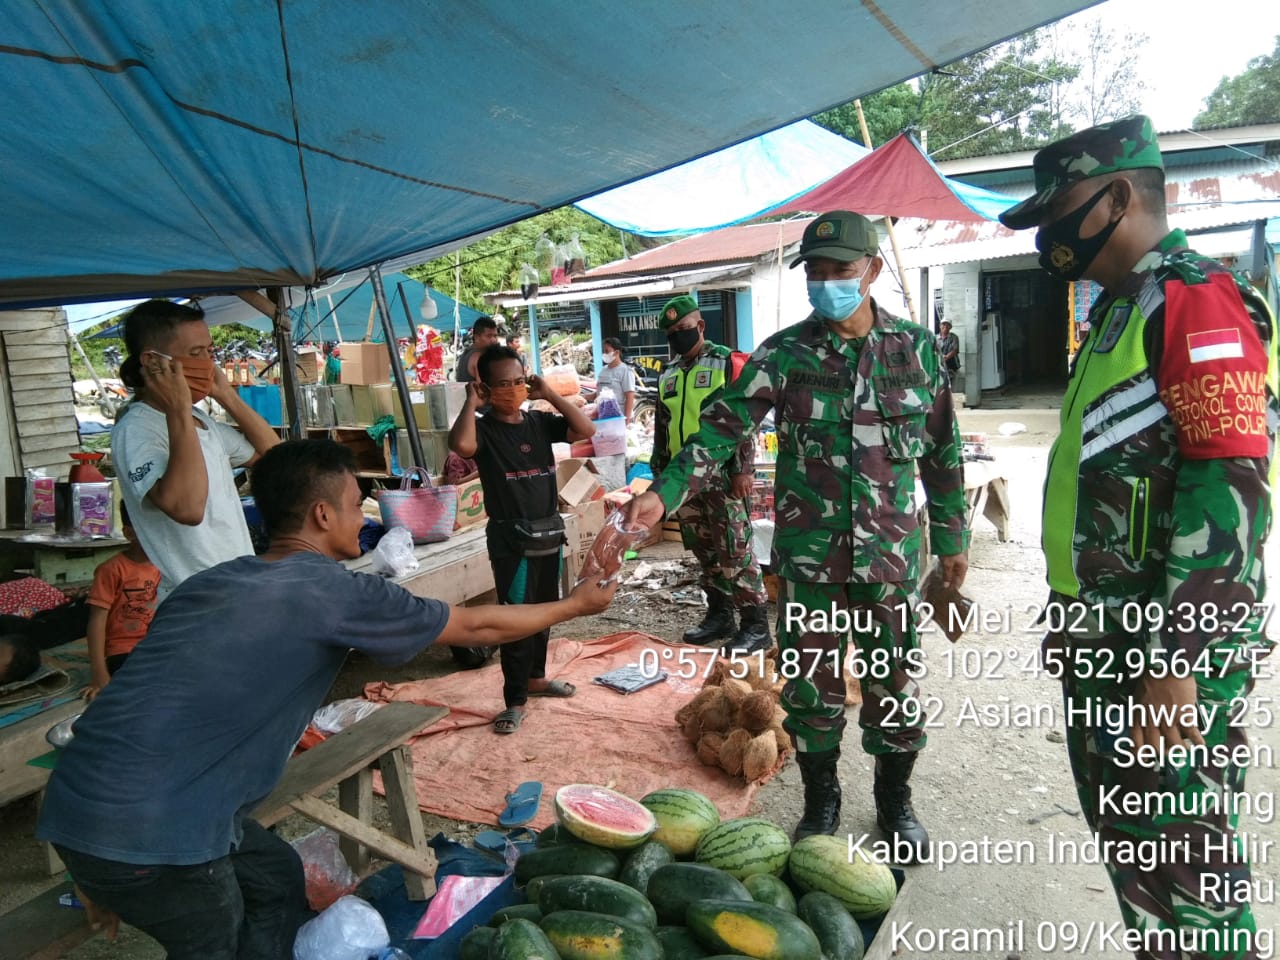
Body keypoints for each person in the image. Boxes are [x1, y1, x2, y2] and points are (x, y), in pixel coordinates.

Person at [36, 439, 617, 959]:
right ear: (321, 514)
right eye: (352, 504)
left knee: (274, 874)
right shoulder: (334, 591)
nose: (358, 516)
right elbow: (474, 629)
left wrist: (93, 862)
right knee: (213, 936)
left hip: (77, 805)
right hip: (154, 833)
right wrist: (575, 607)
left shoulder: (208, 582)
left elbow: (132, 702)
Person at [999, 115, 1276, 959]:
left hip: (1161, 652)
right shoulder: (1124, 311)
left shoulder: (1196, 299)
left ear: (1118, 197)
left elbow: (1228, 491)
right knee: (1138, 857)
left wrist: (1176, 661)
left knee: (1185, 870)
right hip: (1108, 637)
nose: (1049, 234)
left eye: (1060, 211)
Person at [628, 213, 969, 853]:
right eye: (815, 273)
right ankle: (822, 801)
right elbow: (719, 432)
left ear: (871, 270)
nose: (827, 284)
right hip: (809, 561)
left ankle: (895, 805)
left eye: (840, 271)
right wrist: (662, 493)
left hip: (890, 559)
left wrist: (953, 541)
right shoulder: (784, 354)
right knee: (813, 690)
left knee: (894, 686)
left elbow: (942, 455)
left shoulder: (918, 351)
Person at [449, 345, 596, 734]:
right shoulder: (483, 427)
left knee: (544, 612)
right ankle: (514, 699)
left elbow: (586, 430)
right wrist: (470, 403)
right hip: (512, 540)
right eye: (503, 384)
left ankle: (535, 678)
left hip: (547, 532)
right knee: (515, 619)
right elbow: (461, 447)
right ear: (484, 387)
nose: (513, 389)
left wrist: (549, 394)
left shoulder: (537, 423)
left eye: (518, 381)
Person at [112, 300, 281, 600]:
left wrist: (226, 394)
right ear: (153, 361)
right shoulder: (137, 430)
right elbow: (187, 508)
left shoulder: (200, 420)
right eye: (195, 354)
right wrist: (177, 408)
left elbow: (277, 459)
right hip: (197, 600)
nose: (207, 363)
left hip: (236, 586)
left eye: (209, 351)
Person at [650, 296, 769, 654]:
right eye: (671, 333)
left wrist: (743, 469)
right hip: (682, 480)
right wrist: (661, 477)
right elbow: (662, 427)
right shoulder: (668, 373)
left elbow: (745, 421)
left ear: (700, 327)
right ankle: (719, 615)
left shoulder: (727, 362)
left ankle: (756, 625)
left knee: (735, 549)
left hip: (722, 475)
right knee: (704, 550)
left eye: (683, 330)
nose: (677, 337)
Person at [83, 502, 159, 702]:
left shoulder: (164, 566)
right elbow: (96, 622)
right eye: (150, 528)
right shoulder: (111, 570)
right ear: (129, 533)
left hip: (154, 645)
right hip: (122, 650)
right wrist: (99, 673)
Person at [596, 337, 637, 422]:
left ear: (616, 352)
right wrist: (581, 397)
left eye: (607, 351)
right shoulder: (603, 370)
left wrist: (626, 419)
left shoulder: (625, 371)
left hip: (618, 417)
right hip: (602, 417)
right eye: (603, 351)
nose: (604, 354)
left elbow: (630, 397)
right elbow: (598, 392)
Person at [455, 315, 500, 383]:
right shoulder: (478, 357)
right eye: (489, 336)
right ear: (477, 337)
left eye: (495, 336)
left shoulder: (468, 352)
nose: (494, 340)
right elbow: (484, 388)